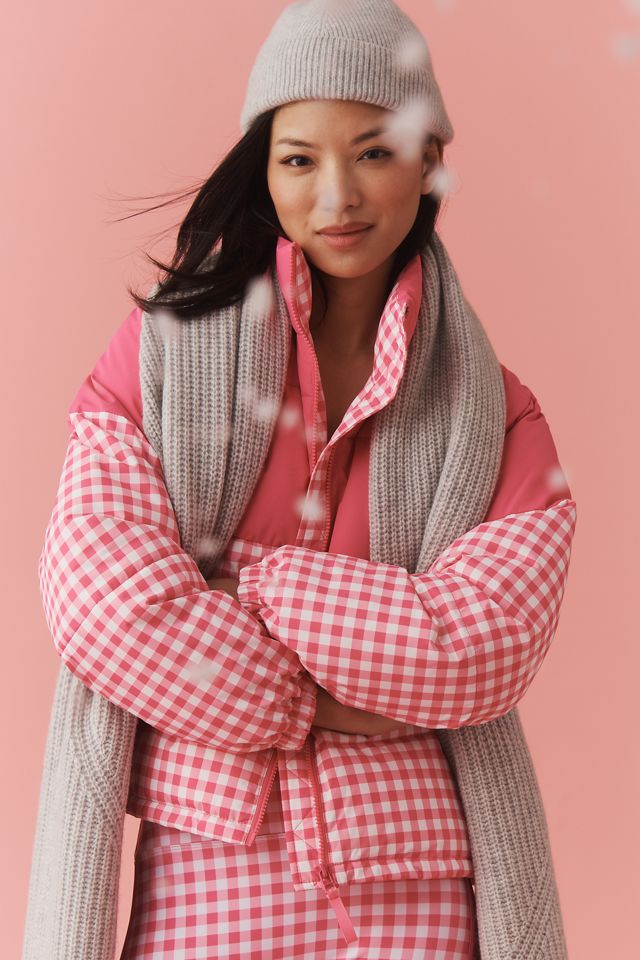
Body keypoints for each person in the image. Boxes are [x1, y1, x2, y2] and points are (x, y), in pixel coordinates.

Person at [23, 2, 578, 958]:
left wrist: (257, 591)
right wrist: (355, 689)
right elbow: (99, 600)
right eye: (297, 159)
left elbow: (488, 649)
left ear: (429, 156)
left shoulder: (498, 413)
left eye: (373, 152)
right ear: (265, 170)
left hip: (416, 876)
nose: (336, 196)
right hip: (203, 871)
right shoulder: (159, 360)